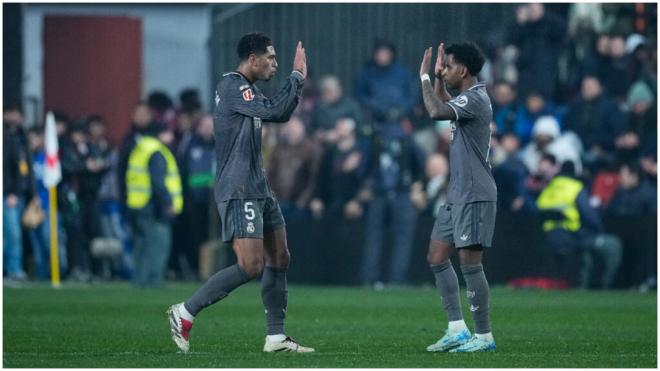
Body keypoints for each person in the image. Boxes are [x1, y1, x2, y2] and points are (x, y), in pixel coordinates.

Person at [166, 33, 314, 354]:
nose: (275, 63)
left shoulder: (250, 91)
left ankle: (276, 337)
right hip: (239, 188)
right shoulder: (232, 87)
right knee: (250, 266)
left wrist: (296, 81)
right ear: (252, 58)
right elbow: (276, 111)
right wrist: (297, 76)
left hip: (258, 187)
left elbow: (281, 112)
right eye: (270, 58)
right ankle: (185, 312)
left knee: (280, 257)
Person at [419, 41, 497, 352]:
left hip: (476, 193)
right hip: (458, 194)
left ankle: (484, 336)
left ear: (463, 69)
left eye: (449, 66)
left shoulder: (477, 99)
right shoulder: (466, 98)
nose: (445, 70)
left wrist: (424, 78)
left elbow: (437, 110)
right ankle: (456, 329)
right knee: (436, 256)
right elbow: (445, 102)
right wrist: (438, 79)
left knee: (470, 263)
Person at [536, 161, 622, 289]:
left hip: (549, 236)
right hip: (573, 235)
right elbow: (589, 214)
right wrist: (599, 229)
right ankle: (604, 285)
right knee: (612, 244)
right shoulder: (576, 187)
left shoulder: (550, 187)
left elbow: (538, 206)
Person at [126, 123, 182, 287]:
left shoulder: (140, 148)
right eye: (169, 133)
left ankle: (139, 280)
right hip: (153, 206)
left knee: (143, 245)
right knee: (158, 243)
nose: (171, 137)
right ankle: (153, 280)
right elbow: (158, 182)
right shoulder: (157, 152)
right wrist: (168, 202)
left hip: (137, 204)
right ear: (161, 134)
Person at [3, 103, 33, 281]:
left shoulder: (18, 137)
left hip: (12, 194)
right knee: (9, 235)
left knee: (13, 234)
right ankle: (9, 270)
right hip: (8, 193)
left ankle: (13, 269)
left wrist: (17, 192)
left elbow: (20, 168)